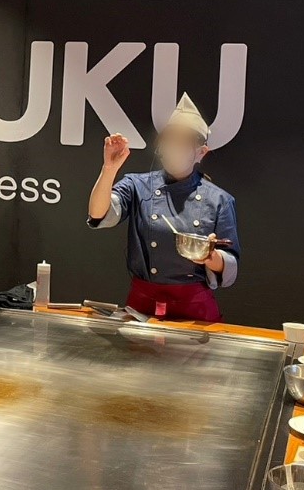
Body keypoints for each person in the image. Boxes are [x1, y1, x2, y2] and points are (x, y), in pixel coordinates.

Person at [87, 93, 239, 322]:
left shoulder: (219, 200)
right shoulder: (138, 185)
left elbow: (230, 267)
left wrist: (210, 256)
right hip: (142, 306)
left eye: (184, 143)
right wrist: (109, 169)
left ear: (201, 152)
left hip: (194, 311)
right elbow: (98, 213)